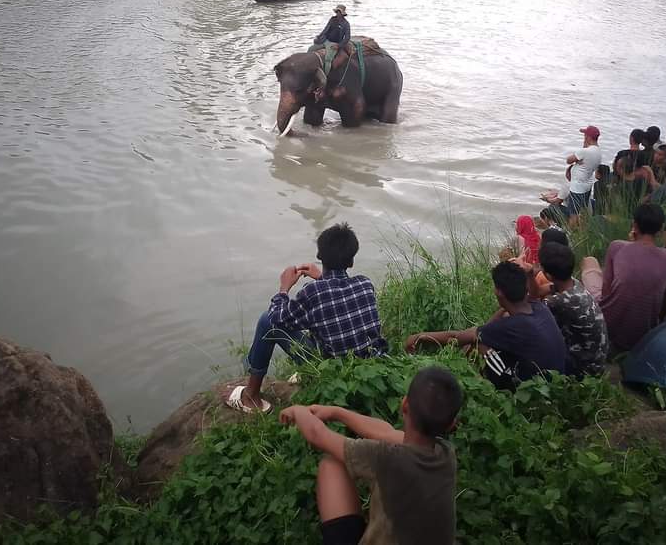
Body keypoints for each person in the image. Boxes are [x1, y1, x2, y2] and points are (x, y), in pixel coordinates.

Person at [278, 365, 462, 545]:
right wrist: (336, 412)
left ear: (404, 404)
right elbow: (386, 433)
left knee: (331, 465)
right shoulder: (446, 454)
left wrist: (298, 410)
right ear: (451, 424)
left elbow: (317, 435)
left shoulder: (386, 458)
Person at [230, 223, 387, 413]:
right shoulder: (365, 284)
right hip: (367, 369)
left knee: (267, 321)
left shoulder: (313, 293)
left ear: (319, 256)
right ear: (351, 262)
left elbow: (277, 317)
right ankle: (301, 377)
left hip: (332, 374)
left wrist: (284, 288)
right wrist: (321, 278)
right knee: (324, 323)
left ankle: (251, 396)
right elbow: (335, 300)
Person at [405, 261, 567, 388]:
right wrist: (501, 311)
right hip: (555, 380)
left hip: (532, 390)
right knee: (484, 333)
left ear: (499, 292)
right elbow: (499, 318)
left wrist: (419, 337)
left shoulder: (512, 326)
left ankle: (487, 384)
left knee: (480, 344)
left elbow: (457, 337)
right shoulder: (538, 307)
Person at [594, 203, 666, 352]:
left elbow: (606, 291)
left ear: (635, 225)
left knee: (590, 263)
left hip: (610, 327)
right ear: (660, 230)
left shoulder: (617, 247)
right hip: (644, 333)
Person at [539, 241, 609, 377]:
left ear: (548, 276)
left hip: (585, 370)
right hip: (598, 361)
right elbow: (539, 291)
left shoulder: (559, 301)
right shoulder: (574, 283)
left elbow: (529, 306)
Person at [562, 126, 602, 224]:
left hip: (577, 187)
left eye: (585, 135)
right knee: (583, 211)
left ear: (588, 137)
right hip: (587, 185)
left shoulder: (584, 151)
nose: (584, 137)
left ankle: (571, 232)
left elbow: (568, 160)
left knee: (573, 213)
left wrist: (581, 152)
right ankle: (583, 228)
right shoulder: (598, 152)